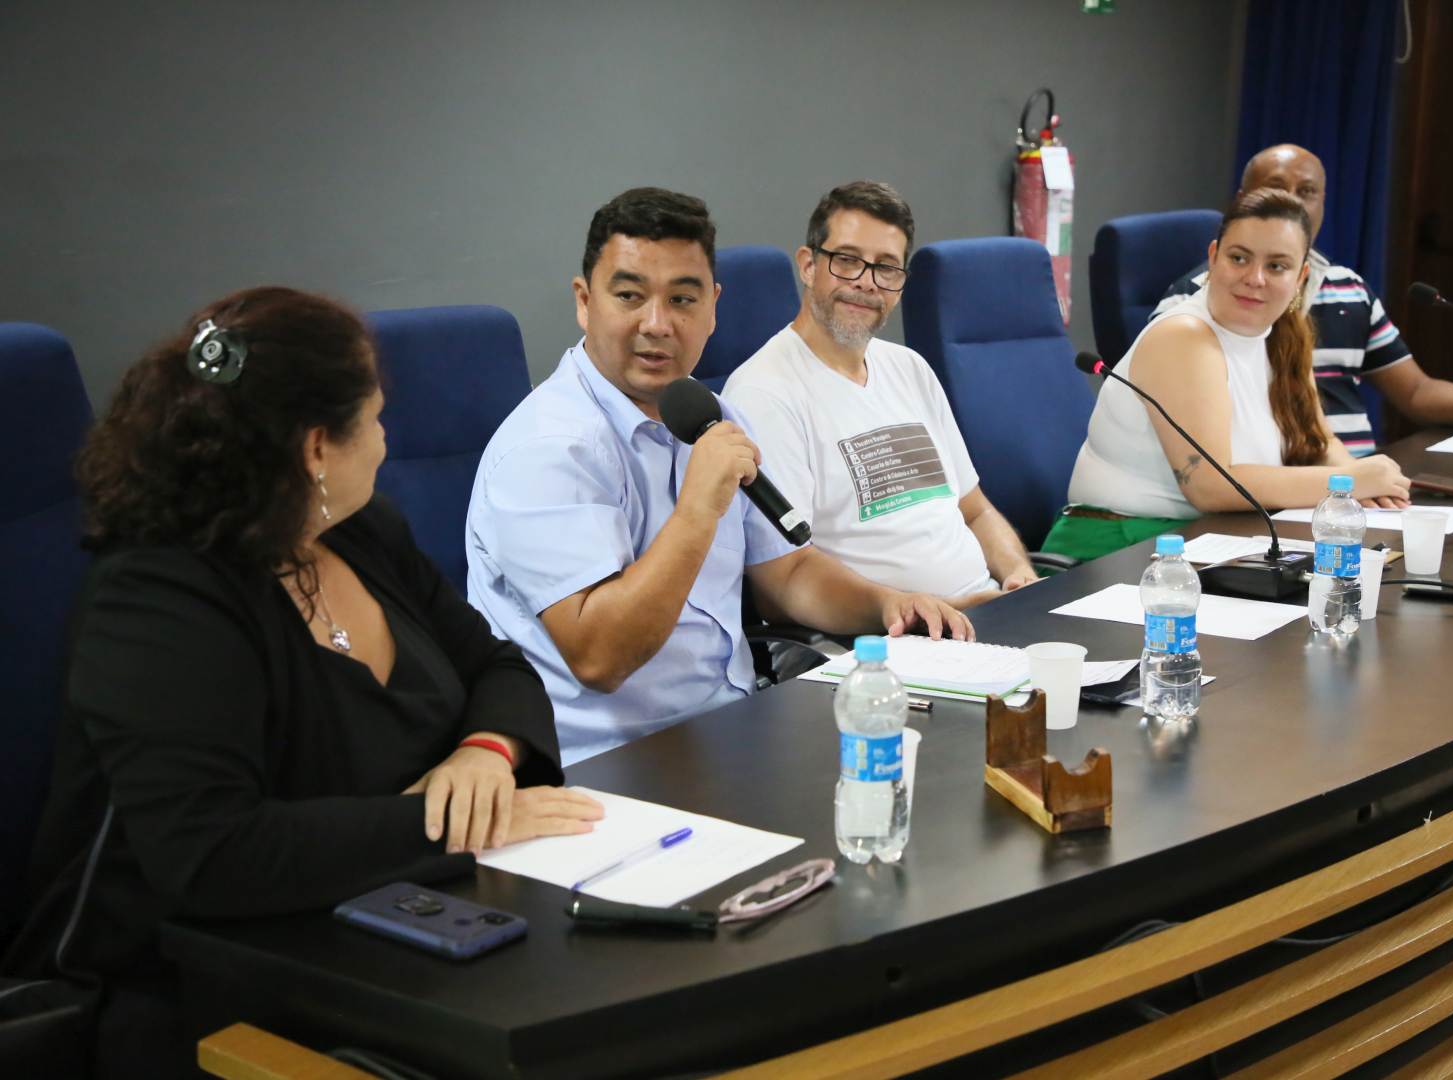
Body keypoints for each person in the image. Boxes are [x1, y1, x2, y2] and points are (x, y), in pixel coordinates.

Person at [2, 287, 601, 1076]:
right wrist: (452, 825)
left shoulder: (360, 532)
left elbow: (497, 664)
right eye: (376, 419)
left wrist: (484, 754)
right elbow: (212, 855)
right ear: (318, 448)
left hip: (396, 928)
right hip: (201, 989)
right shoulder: (157, 600)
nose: (386, 441)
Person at [466, 188, 971, 766]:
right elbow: (600, 658)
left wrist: (888, 605)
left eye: (683, 299)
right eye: (629, 296)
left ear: (713, 308)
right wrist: (697, 509)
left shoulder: (709, 416)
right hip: (607, 763)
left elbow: (792, 573)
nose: (657, 324)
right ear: (584, 302)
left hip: (728, 729)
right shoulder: (549, 448)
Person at [1047, 190, 1412, 561]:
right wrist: (1349, 482)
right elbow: (1210, 485)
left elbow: (1319, 441)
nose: (1255, 278)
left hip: (1212, 535)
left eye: (1277, 266)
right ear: (1213, 258)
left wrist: (1367, 486)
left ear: (1301, 277)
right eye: (1239, 258)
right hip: (1117, 546)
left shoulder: (1285, 333)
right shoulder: (1183, 336)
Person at [722, 181, 1037, 606]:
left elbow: (975, 510)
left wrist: (1018, 574)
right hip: (886, 635)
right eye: (847, 260)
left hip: (986, 613)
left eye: (886, 268)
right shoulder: (764, 393)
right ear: (809, 266)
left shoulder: (909, 368)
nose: (867, 282)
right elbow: (784, 578)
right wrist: (932, 611)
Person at [1157, 143, 1453, 454]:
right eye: (1276, 188)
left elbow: (1415, 390)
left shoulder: (1349, 289)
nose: (1292, 202)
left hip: (1353, 477)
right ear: (1243, 201)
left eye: (1307, 192)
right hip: (1269, 482)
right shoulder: (1196, 301)